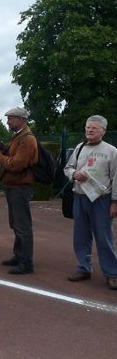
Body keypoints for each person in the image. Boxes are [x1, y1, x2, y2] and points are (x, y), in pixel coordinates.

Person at [63, 115, 117, 290]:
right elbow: (68, 168)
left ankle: (112, 273)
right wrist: (73, 174)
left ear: (103, 131)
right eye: (87, 127)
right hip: (80, 196)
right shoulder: (79, 148)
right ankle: (84, 268)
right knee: (81, 236)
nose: (89, 130)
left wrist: (115, 201)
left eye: (94, 128)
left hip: (101, 199)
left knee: (104, 237)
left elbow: (116, 178)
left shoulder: (111, 151)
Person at [0, 107, 38, 275]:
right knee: (16, 223)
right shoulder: (18, 136)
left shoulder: (27, 139)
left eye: (11, 118)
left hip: (20, 187)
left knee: (22, 224)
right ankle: (19, 255)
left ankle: (26, 262)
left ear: (22, 120)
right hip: (13, 186)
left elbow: (16, 165)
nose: (7, 121)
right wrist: (4, 150)